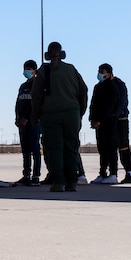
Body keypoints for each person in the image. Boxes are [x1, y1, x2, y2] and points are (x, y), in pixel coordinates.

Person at [30, 42, 88, 192]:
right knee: (71, 148)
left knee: (54, 149)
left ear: (48, 55)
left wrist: (35, 115)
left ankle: (59, 182)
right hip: (71, 114)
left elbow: (36, 95)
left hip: (51, 115)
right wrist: (79, 112)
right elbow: (84, 91)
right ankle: (72, 182)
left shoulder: (44, 70)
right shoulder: (71, 69)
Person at [89, 63, 131, 184]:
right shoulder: (98, 87)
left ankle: (127, 173)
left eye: (103, 72)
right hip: (103, 121)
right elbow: (93, 104)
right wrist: (93, 119)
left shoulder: (117, 85)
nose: (100, 74)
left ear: (110, 73)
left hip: (118, 120)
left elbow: (119, 103)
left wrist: (113, 116)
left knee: (121, 147)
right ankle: (103, 172)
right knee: (103, 147)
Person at [14, 60, 42, 186]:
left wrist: (27, 118)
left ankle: (36, 176)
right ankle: (26, 175)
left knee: (35, 149)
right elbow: (18, 104)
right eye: (25, 68)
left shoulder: (38, 85)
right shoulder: (22, 86)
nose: (27, 71)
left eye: (29, 69)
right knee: (25, 150)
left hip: (33, 122)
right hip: (22, 124)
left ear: (35, 71)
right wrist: (18, 118)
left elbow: (36, 105)